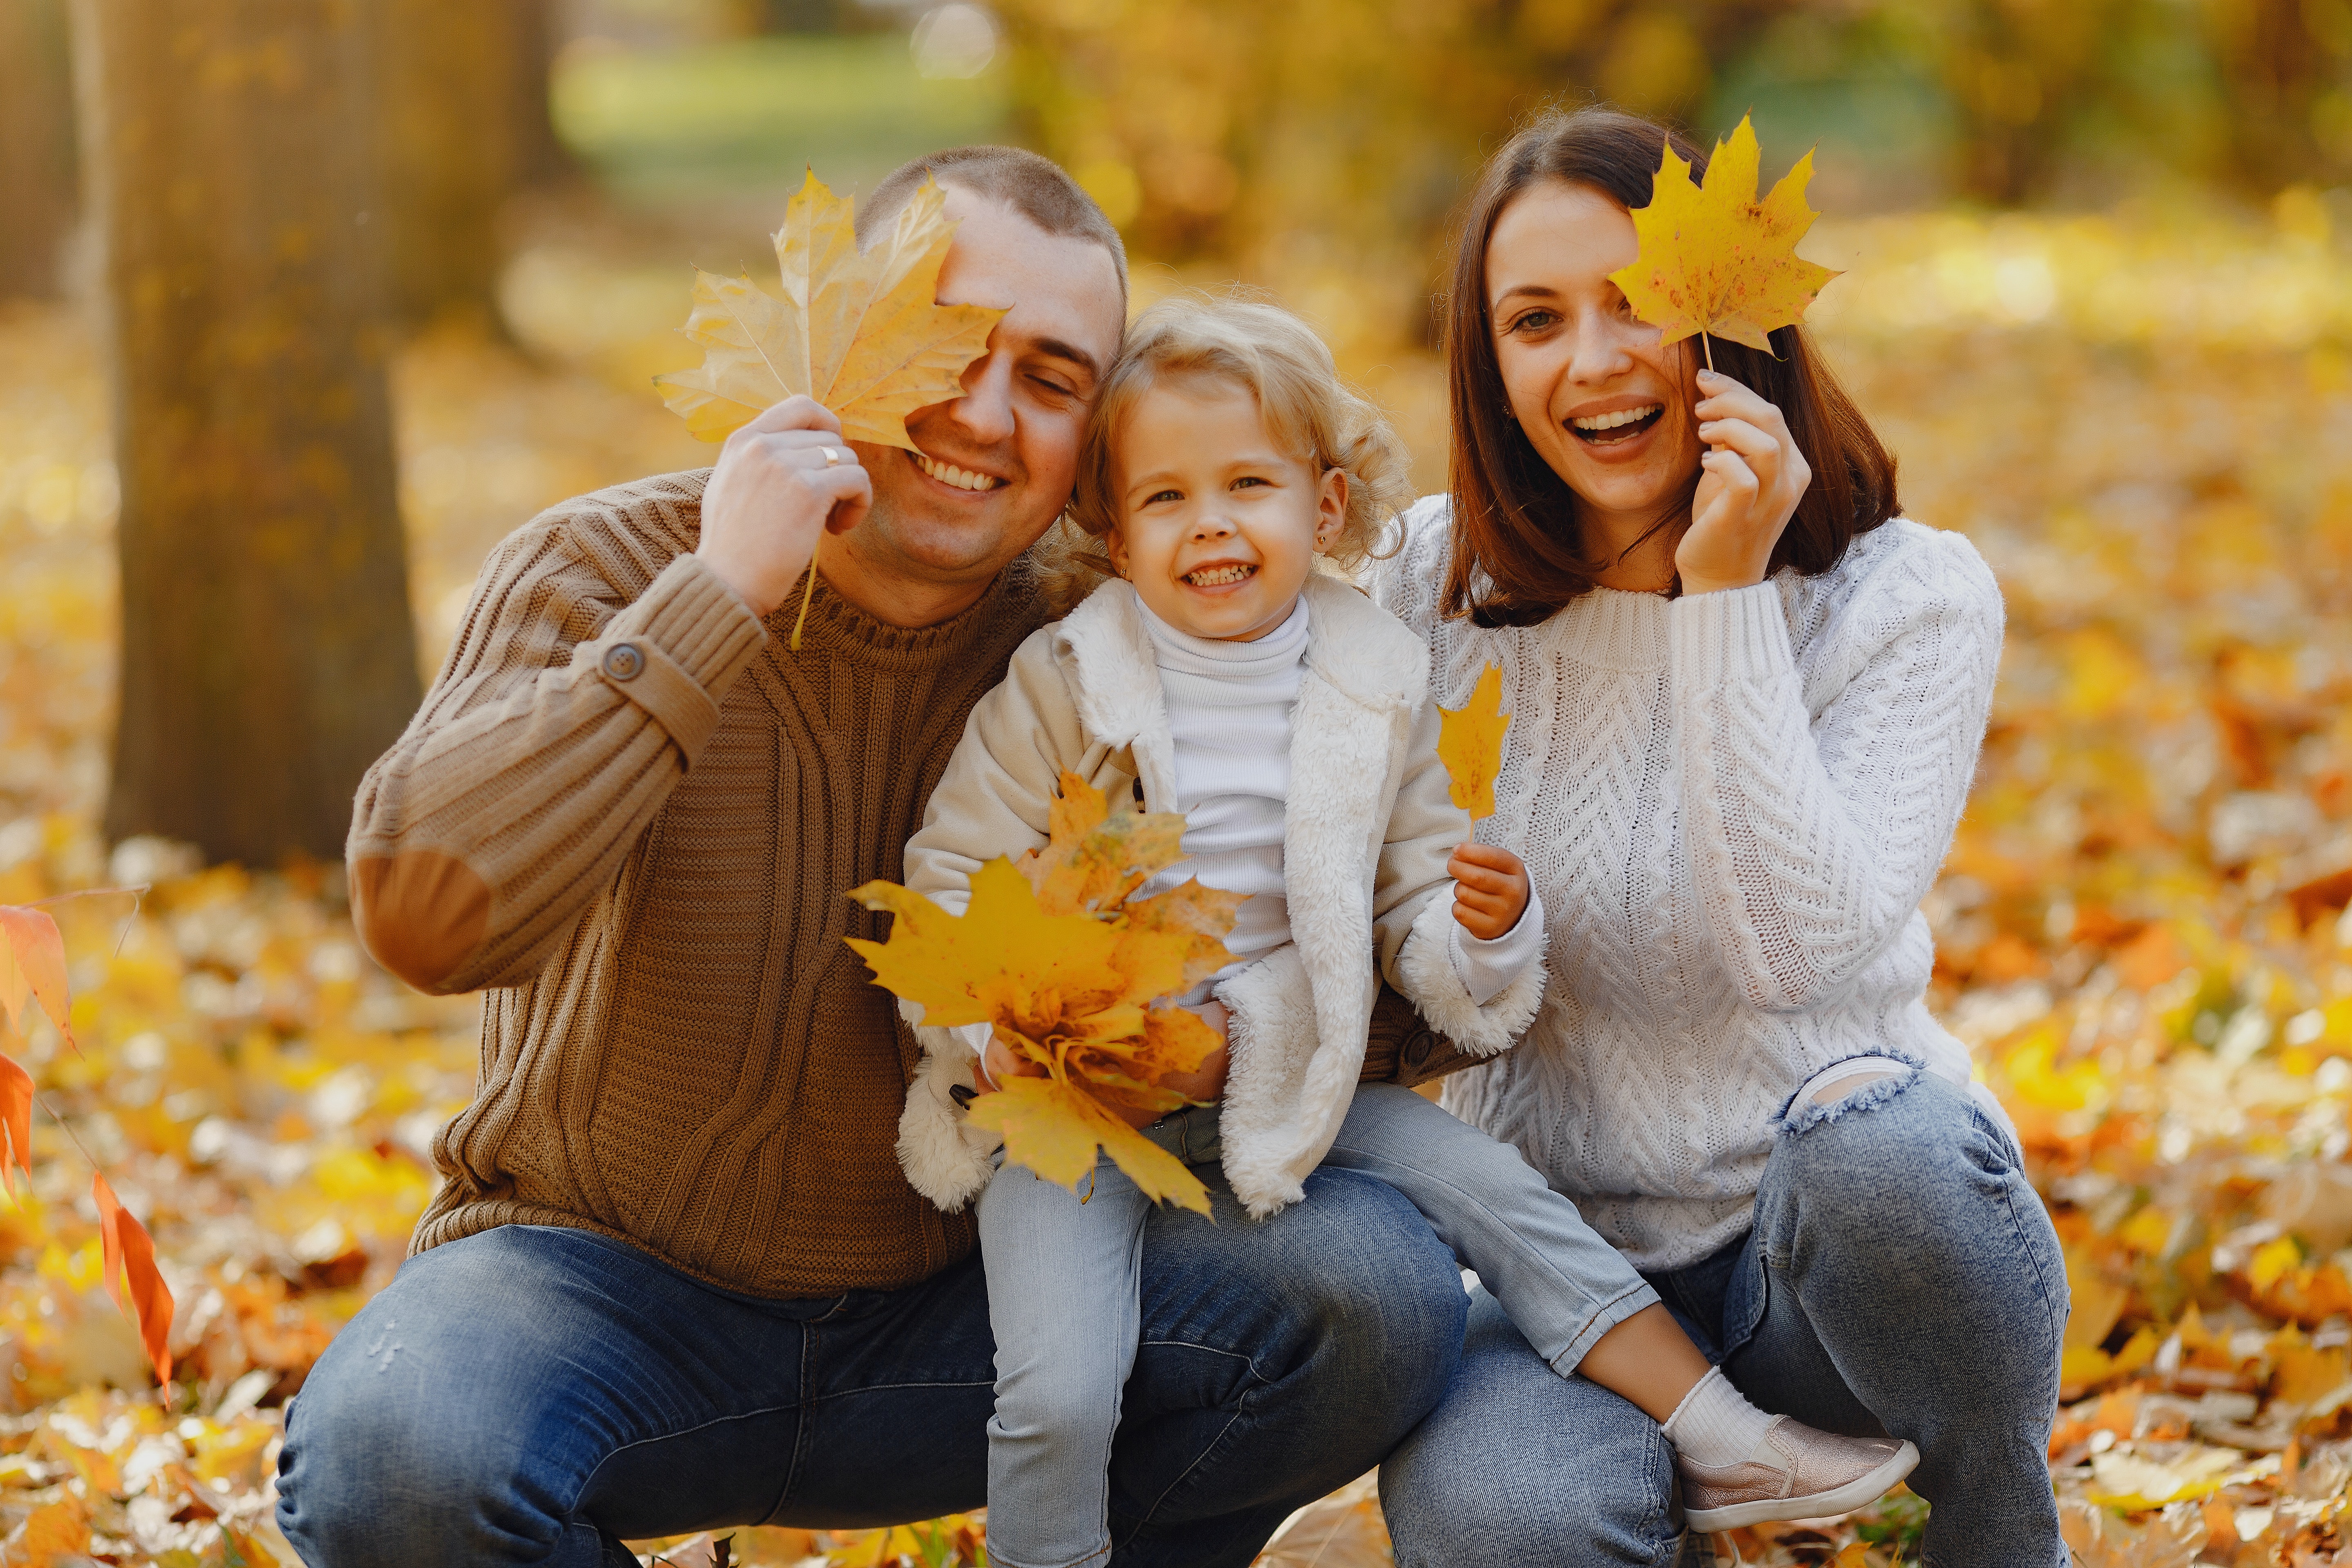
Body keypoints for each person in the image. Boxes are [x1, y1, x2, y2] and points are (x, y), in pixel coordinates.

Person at [274, 147, 1472, 1568]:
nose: (983, 410)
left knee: (1374, 1294)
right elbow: (425, 915)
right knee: (394, 1464)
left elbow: (1386, 968)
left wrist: (1208, 1046)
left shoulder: (1120, 651)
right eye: (946, 341)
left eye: (1050, 376)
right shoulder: (609, 569)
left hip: (984, 1308)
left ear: (1092, 438)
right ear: (844, 330)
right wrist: (722, 596)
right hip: (590, 1294)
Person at [892, 296, 1919, 1568]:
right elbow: (950, 873)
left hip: (1283, 1076)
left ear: (1322, 509)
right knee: (1058, 1387)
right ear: (1112, 529)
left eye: (1247, 484)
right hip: (1069, 1099)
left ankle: (1720, 1432)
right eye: (1163, 499)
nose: (1210, 522)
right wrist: (987, 1020)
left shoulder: (1368, 675)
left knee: (1498, 1189)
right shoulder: (1067, 681)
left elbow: (1411, 901)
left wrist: (1480, 930)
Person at [1368, 107, 2068, 1568]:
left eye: (1634, 302)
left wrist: (1726, 596)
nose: (1592, 360)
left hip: (1824, 1265)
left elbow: (1792, 957)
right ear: (1490, 368)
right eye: (1534, 321)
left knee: (1891, 1157)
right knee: (1508, 1525)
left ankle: (1998, 1536)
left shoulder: (1905, 600)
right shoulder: (1428, 588)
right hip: (1560, 1283)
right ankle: (1673, 1505)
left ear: (1733, 317)